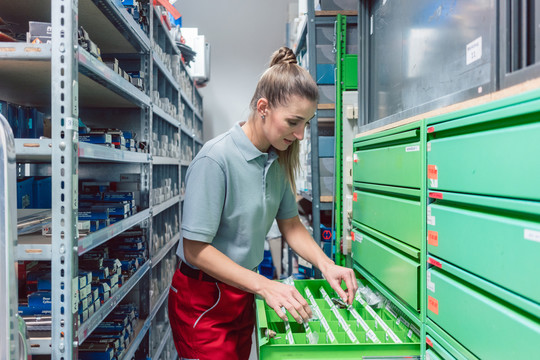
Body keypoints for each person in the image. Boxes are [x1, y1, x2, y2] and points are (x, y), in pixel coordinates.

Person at [168, 46, 358, 360]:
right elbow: (195, 249)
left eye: (306, 124)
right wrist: (265, 285)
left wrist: (326, 265)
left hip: (243, 292)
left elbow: (291, 224)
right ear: (263, 107)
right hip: (204, 300)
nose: (300, 135)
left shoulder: (276, 159)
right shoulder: (215, 160)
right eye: (293, 122)